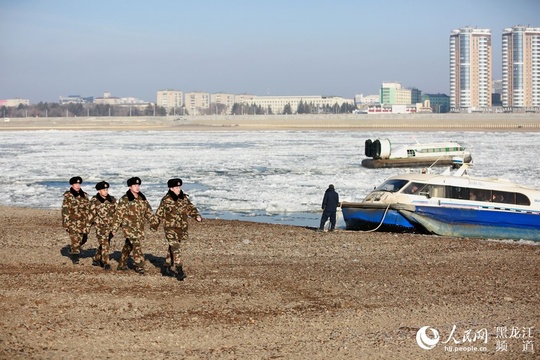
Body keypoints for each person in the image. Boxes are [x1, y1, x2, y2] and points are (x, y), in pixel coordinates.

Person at [151, 178, 202, 281]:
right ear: (171, 188)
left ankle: (166, 266)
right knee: (176, 248)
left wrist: (196, 216)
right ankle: (179, 270)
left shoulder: (184, 198)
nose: (179, 189)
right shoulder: (166, 200)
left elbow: (190, 208)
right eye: (176, 187)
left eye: (179, 187)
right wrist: (154, 226)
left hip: (181, 228)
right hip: (170, 228)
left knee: (173, 248)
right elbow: (159, 214)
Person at [111, 177, 155, 274]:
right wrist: (114, 229)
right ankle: (139, 265)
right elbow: (118, 215)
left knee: (129, 245)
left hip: (139, 227)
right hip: (128, 227)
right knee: (136, 244)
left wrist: (154, 222)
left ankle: (122, 263)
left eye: (138, 185)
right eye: (135, 185)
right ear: (130, 187)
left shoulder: (142, 198)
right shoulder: (125, 199)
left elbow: (148, 212)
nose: (137, 187)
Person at [87, 181, 117, 270]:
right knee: (105, 244)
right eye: (104, 190)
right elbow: (91, 215)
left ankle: (96, 258)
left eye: (107, 189)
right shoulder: (94, 201)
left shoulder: (112, 200)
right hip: (100, 227)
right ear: (99, 191)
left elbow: (117, 213)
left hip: (110, 227)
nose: (106, 191)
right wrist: (86, 227)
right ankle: (105, 262)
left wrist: (117, 226)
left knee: (105, 244)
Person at [62, 176, 90, 264]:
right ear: (72, 185)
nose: (77, 186)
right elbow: (65, 210)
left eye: (79, 184)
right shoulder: (68, 196)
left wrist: (89, 220)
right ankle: (75, 256)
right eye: (75, 184)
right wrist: (66, 223)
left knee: (84, 239)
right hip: (72, 222)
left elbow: (88, 208)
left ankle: (74, 249)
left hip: (83, 222)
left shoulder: (84, 195)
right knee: (75, 239)